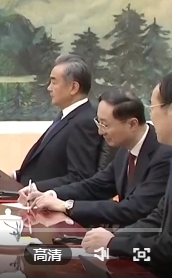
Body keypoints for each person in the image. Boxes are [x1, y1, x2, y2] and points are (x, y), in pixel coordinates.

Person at [20, 88, 172, 227]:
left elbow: (132, 208)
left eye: (105, 125)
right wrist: (50, 195)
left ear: (132, 124)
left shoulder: (164, 155)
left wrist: (67, 206)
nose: (100, 132)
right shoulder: (125, 149)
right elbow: (96, 186)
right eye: (98, 122)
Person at [82, 72, 172, 273]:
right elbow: (158, 217)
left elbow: (168, 249)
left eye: (153, 108)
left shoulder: (164, 156)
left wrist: (115, 244)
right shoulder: (125, 150)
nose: (150, 116)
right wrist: (113, 239)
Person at [15, 54, 101, 189]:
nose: (49, 88)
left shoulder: (84, 122)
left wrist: (35, 188)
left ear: (73, 87)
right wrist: (16, 176)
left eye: (54, 82)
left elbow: (79, 177)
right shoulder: (66, 115)